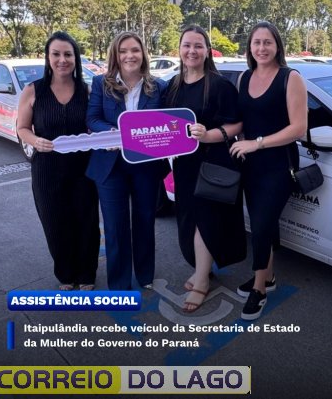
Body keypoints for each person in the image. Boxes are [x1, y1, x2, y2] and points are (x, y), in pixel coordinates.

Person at [163, 25, 246, 312]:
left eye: (198, 46)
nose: (192, 51)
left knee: (205, 221)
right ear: (179, 49)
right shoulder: (173, 85)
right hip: (185, 164)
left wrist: (210, 135)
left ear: (207, 51)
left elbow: (237, 124)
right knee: (188, 219)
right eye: (187, 45)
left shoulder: (219, 85)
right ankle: (202, 267)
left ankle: (201, 280)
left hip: (213, 162)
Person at [229, 21, 307, 320]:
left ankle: (259, 288)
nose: (261, 48)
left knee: (261, 226)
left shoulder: (290, 78)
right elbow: (241, 121)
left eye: (267, 42)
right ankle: (269, 276)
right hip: (250, 164)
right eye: (256, 42)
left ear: (277, 46)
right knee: (265, 224)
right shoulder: (244, 77)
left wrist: (257, 143)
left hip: (278, 164)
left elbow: (298, 128)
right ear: (249, 47)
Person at [16, 31, 100, 291]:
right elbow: (21, 128)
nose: (62, 60)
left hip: (83, 169)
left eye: (68, 54)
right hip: (47, 169)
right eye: (56, 54)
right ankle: (66, 273)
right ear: (48, 57)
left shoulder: (86, 90)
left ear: (76, 58)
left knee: (86, 222)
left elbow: (94, 125)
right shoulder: (33, 91)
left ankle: (86, 274)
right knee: (55, 223)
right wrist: (35, 140)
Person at [86, 31, 169, 290]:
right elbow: (92, 118)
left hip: (146, 165)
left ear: (143, 53)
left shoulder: (158, 87)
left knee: (145, 220)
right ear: (115, 55)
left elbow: (168, 123)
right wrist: (110, 132)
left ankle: (145, 275)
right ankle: (120, 283)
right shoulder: (100, 83)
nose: (129, 56)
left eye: (134, 50)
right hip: (110, 166)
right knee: (114, 226)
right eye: (123, 51)